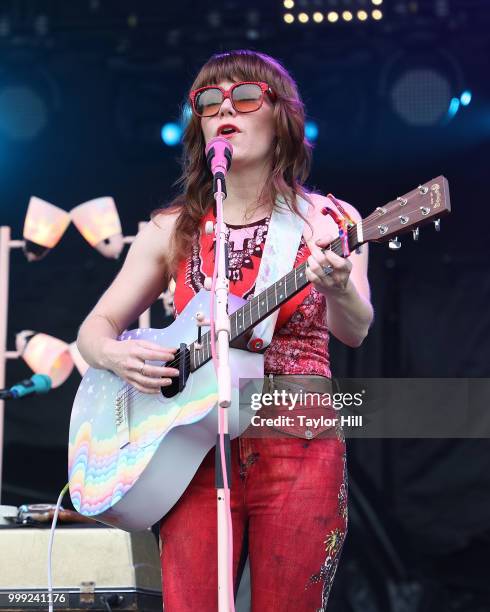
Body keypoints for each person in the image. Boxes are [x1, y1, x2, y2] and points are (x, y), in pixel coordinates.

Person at [77, 49, 373, 611]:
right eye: (209, 102)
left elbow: (356, 330)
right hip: (190, 445)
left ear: (281, 114)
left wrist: (336, 287)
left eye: (245, 97)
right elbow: (94, 329)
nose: (225, 110)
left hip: (298, 435)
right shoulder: (172, 229)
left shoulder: (331, 221)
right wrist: (117, 357)